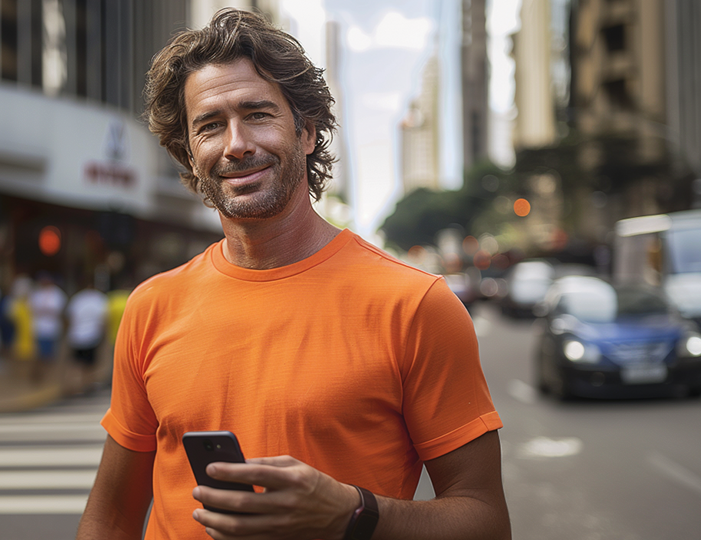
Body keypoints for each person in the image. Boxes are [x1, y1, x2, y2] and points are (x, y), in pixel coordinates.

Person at [77, 9, 510, 540]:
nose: (235, 143)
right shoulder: (152, 306)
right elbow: (111, 517)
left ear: (306, 131)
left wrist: (353, 513)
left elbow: (486, 521)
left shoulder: (417, 305)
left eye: (257, 114)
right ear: (189, 153)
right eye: (210, 126)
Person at [65, 282, 108, 394]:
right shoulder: (99, 299)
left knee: (76, 363)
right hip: (91, 334)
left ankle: (75, 385)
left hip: (76, 335)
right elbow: (103, 318)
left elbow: (70, 317)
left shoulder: (77, 298)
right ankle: (87, 384)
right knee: (90, 363)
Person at [28, 272, 67, 382]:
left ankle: (48, 376)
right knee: (39, 354)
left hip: (52, 329)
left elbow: (58, 310)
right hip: (39, 328)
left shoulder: (57, 294)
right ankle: (37, 375)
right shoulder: (37, 294)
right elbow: (33, 309)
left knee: (50, 356)